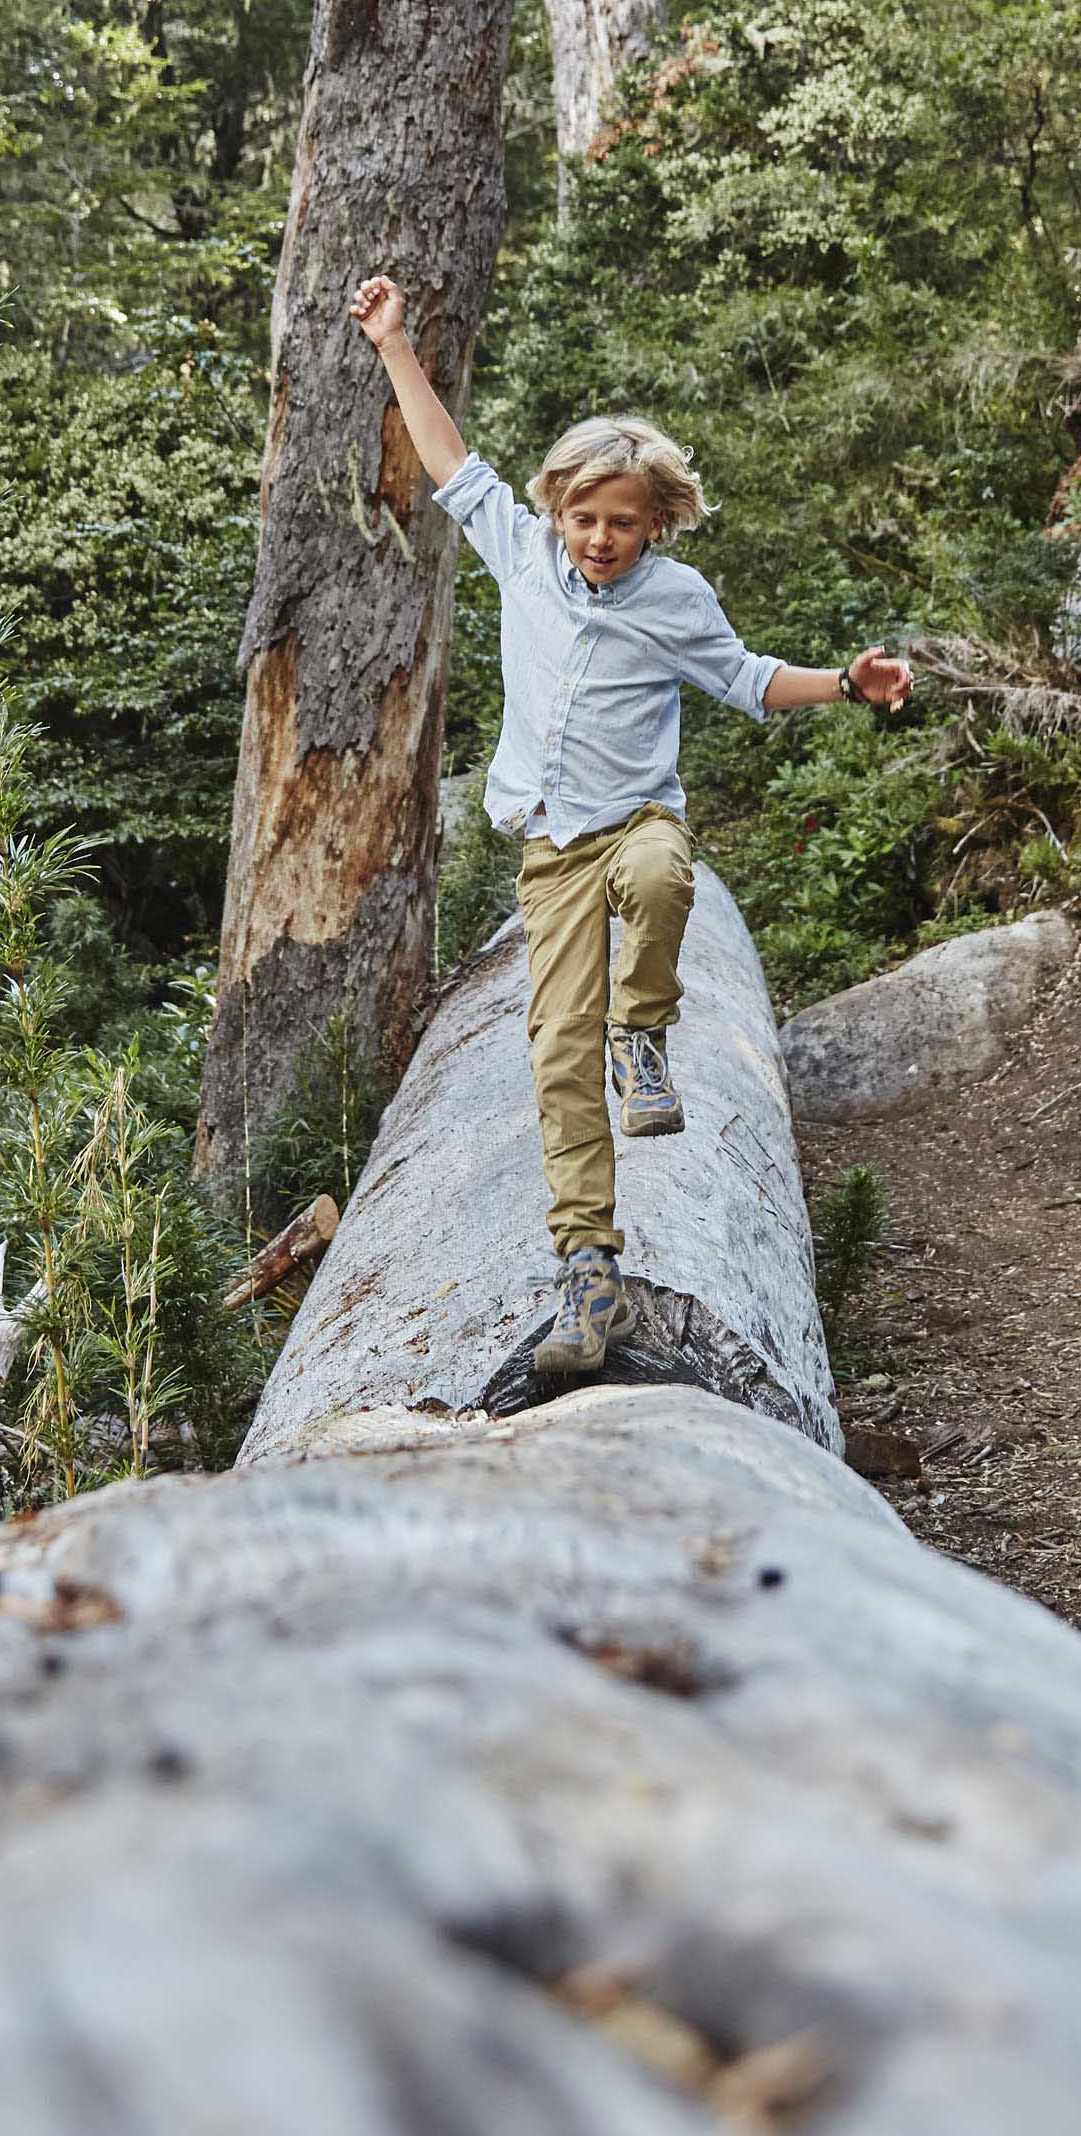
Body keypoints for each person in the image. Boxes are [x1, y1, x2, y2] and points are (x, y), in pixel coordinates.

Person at [349, 273, 912, 1371]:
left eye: (622, 523)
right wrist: (394, 346)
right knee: (556, 1050)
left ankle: (644, 1033)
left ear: (657, 524)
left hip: (639, 818)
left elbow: (749, 682)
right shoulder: (521, 552)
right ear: (557, 512)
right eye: (583, 518)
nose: (598, 539)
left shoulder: (676, 600)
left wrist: (846, 681)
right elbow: (446, 454)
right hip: (551, 847)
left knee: (661, 881)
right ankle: (588, 1271)